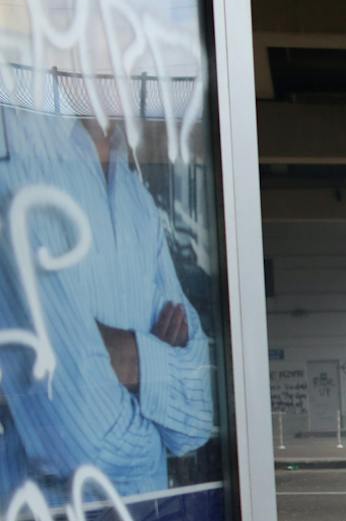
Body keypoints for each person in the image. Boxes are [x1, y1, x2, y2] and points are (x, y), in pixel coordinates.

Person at [0, 106, 216, 500]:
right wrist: (156, 424)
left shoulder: (136, 200)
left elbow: (197, 421)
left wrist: (121, 353)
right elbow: (78, 441)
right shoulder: (18, 166)